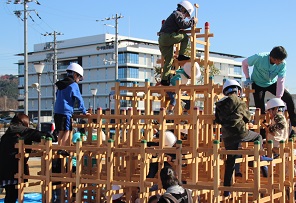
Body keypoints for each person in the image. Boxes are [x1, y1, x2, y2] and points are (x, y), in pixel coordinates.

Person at [214, 79, 272, 197]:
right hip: (240, 132)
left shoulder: (219, 104)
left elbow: (218, 120)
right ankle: (257, 157)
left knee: (230, 161)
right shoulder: (239, 102)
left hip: (227, 136)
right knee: (258, 137)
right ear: (238, 91)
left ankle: (226, 190)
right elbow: (247, 117)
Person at [0, 113, 57, 203]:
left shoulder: (7, 134)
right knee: (12, 195)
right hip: (14, 168)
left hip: (4, 168)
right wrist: (53, 136)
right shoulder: (23, 131)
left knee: (10, 195)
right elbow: (40, 135)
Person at [242, 46, 296, 130]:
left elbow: (281, 81)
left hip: (272, 83)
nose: (281, 62)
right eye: (280, 60)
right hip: (258, 83)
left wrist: (278, 99)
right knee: (260, 108)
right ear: (274, 58)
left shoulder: (282, 64)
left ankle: (294, 124)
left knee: (289, 98)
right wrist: (247, 78)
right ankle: (263, 131)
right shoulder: (260, 57)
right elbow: (244, 63)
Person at [54, 63, 90, 156]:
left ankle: (59, 147)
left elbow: (57, 95)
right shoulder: (73, 85)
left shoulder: (60, 84)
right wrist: (84, 111)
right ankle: (62, 148)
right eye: (79, 77)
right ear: (75, 74)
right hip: (66, 112)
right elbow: (79, 99)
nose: (78, 80)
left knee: (60, 131)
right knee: (68, 130)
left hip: (57, 111)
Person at [158, 0, 197, 86]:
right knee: (185, 37)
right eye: (186, 14)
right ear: (183, 9)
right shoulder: (177, 14)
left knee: (169, 60)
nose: (186, 16)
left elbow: (179, 25)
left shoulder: (174, 15)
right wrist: (193, 22)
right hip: (167, 37)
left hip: (162, 39)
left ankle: (165, 80)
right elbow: (183, 24)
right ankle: (181, 55)